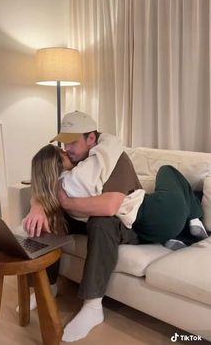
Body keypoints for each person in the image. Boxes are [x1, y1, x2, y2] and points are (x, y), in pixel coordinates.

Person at [23, 111, 208, 342]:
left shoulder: (112, 159)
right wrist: (37, 204)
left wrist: (65, 201)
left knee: (163, 173)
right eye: (64, 142)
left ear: (91, 139)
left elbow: (110, 206)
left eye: (72, 142)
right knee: (50, 219)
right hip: (125, 223)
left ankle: (92, 306)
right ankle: (46, 286)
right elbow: (44, 181)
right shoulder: (76, 166)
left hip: (149, 214)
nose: (66, 148)